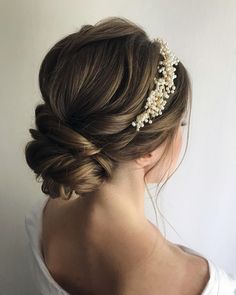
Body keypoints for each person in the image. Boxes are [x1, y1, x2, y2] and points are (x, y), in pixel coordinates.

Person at [24, 16, 236, 295]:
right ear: (147, 150)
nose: (180, 137)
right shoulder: (205, 286)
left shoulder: (44, 217)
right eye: (179, 125)